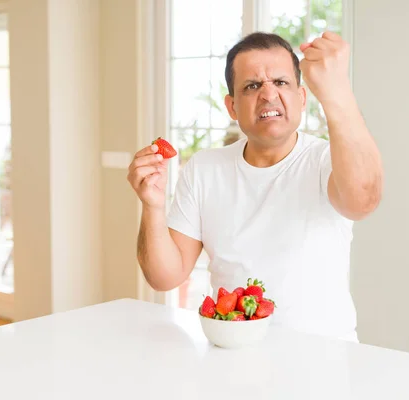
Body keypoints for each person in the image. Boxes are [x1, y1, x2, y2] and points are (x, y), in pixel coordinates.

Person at [127, 31, 383, 342]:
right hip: (230, 351)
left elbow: (363, 200)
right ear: (232, 107)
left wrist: (337, 91)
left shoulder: (329, 160)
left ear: (301, 99)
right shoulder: (204, 168)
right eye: (252, 86)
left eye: (281, 82)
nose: (268, 94)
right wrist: (152, 206)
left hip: (322, 359)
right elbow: (164, 277)